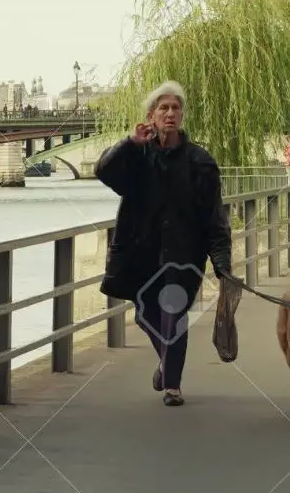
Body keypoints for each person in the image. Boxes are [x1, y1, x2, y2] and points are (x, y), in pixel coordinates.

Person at [94, 81, 233, 407]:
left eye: (175, 108)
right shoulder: (136, 156)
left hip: (183, 255)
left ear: (182, 115)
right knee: (145, 315)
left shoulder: (200, 161)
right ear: (151, 117)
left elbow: (214, 218)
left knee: (174, 315)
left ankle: (172, 385)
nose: (170, 114)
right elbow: (104, 171)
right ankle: (165, 364)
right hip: (141, 252)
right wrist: (129, 143)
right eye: (163, 108)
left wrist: (222, 262)